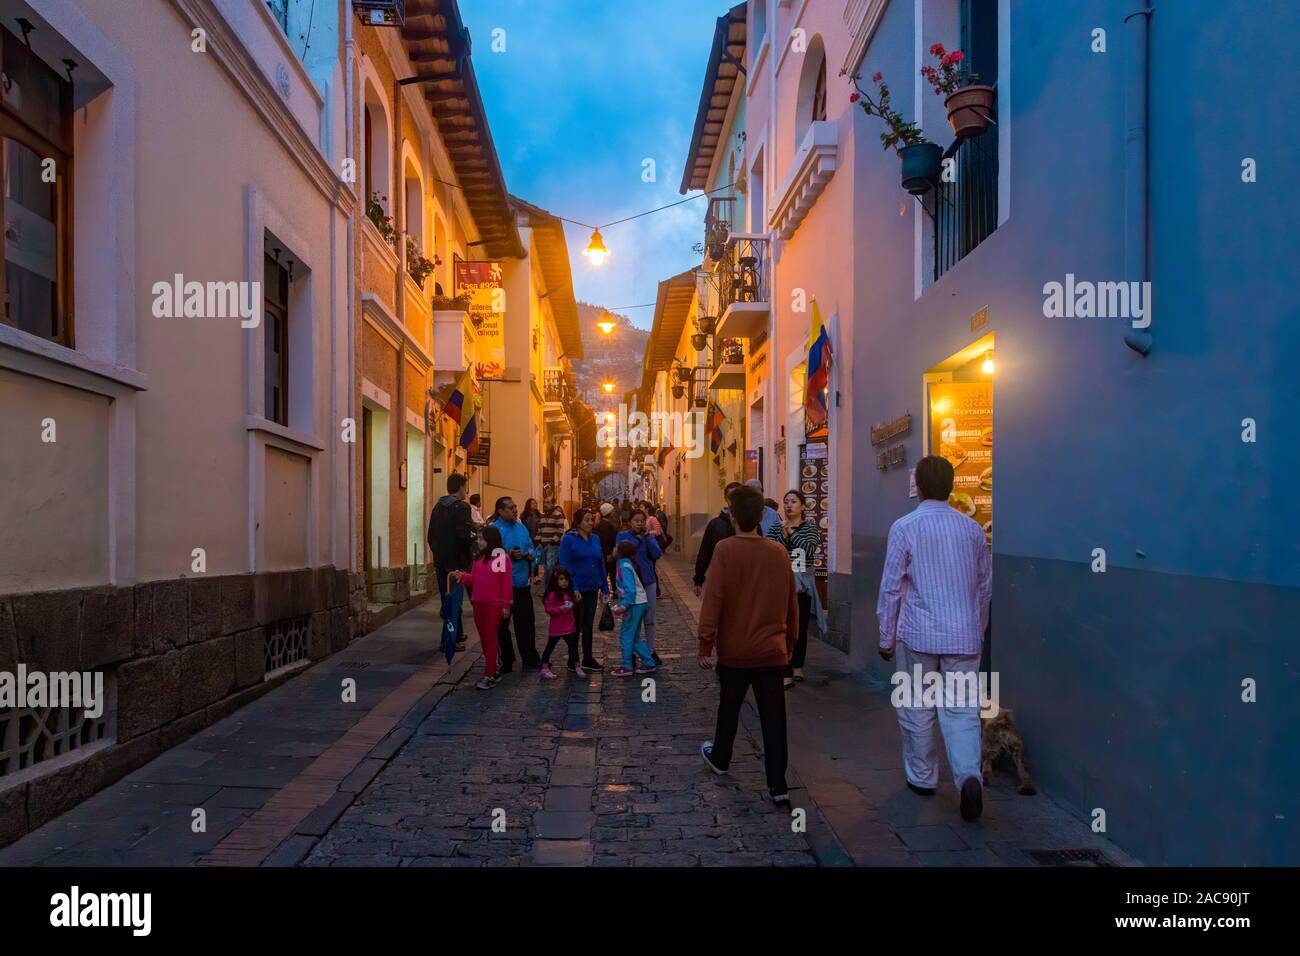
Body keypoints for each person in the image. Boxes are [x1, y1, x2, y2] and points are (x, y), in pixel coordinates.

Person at [877, 454, 992, 821]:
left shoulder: (905, 527)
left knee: (916, 704)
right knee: (962, 710)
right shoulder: (972, 529)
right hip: (964, 635)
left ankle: (923, 778)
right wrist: (978, 628)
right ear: (951, 487)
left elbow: (891, 588)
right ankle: (969, 777)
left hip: (919, 634)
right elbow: (984, 588)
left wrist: (885, 638)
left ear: (919, 486)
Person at [698, 485, 798, 805]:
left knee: (729, 708)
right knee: (774, 717)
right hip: (771, 650)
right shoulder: (778, 552)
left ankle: (721, 757)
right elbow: (790, 602)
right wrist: (791, 641)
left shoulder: (725, 550)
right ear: (760, 516)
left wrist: (705, 644)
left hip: (735, 652)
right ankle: (778, 784)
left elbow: (714, 600)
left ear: (732, 514)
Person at [767, 489, 827, 689]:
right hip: (781, 583)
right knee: (782, 627)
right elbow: (773, 550)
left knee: (799, 627)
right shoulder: (776, 527)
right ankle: (784, 669)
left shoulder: (809, 528)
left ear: (803, 506)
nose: (788, 505)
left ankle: (797, 666)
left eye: (793, 501)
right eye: (786, 502)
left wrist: (791, 533)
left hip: (801, 585)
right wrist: (784, 535)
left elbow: (808, 549)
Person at [451, 525, 513, 690]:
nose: (478, 541)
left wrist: (506, 605)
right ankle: (493, 668)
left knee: (491, 639)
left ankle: (490, 673)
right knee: (485, 639)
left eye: (481, 538)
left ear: (490, 540)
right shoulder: (479, 559)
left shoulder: (501, 558)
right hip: (478, 603)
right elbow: (475, 579)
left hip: (494, 604)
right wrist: (463, 576)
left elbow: (505, 583)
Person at [489, 496, 542, 672]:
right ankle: (507, 659)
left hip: (521, 585)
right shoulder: (494, 530)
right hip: (502, 587)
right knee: (501, 626)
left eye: (515, 507)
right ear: (500, 511)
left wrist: (529, 554)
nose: (514, 510)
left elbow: (531, 548)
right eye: (510, 508)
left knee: (526, 623)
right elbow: (491, 556)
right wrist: (509, 554)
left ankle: (529, 657)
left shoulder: (521, 528)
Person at [427, 473, 476, 653]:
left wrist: (438, 554)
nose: (467, 490)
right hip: (456, 562)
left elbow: (430, 535)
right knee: (453, 603)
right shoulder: (462, 508)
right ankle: (448, 641)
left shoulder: (438, 506)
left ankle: (458, 633)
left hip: (441, 561)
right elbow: (464, 536)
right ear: (461, 487)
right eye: (466, 486)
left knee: (448, 599)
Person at [558, 507, 609, 672]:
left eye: (591, 520)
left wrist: (605, 587)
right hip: (576, 589)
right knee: (575, 625)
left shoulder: (595, 539)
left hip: (592, 588)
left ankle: (588, 657)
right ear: (578, 523)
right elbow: (565, 565)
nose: (590, 523)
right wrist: (573, 587)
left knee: (588, 624)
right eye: (586, 520)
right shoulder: (569, 539)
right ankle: (573, 658)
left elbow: (601, 562)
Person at [616, 510, 663, 663]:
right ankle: (631, 652)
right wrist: (638, 540)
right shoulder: (623, 536)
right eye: (636, 520)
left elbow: (657, 553)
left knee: (649, 619)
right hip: (631, 584)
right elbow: (623, 553)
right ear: (630, 521)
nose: (639, 523)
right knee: (632, 621)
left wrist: (647, 538)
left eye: (642, 520)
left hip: (648, 580)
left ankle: (650, 650)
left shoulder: (647, 537)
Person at [610, 539, 657, 678]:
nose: (614, 548)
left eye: (616, 547)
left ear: (620, 552)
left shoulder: (623, 566)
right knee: (634, 636)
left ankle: (626, 666)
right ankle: (649, 662)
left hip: (634, 605)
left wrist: (623, 606)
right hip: (638, 603)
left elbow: (630, 590)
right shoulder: (626, 564)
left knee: (626, 634)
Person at [693, 481, 742, 596]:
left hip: (745, 579)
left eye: (738, 496)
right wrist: (698, 580)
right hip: (722, 578)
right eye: (731, 496)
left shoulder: (751, 523)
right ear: (726, 498)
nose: (734, 500)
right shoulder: (715, 525)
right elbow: (705, 552)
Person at [540, 568, 585, 680]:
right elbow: (548, 609)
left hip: (569, 626)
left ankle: (577, 666)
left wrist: (576, 601)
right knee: (550, 647)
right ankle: (544, 668)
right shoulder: (552, 594)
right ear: (556, 580)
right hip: (557, 627)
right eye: (561, 579)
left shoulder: (569, 593)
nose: (564, 582)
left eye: (566, 579)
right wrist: (560, 609)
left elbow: (571, 605)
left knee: (573, 648)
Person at [534, 497, 567, 582]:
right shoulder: (542, 516)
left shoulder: (558, 515)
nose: (545, 504)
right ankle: (547, 587)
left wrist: (551, 542)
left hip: (553, 546)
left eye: (548, 502)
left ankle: (549, 588)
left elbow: (560, 531)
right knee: (544, 567)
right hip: (543, 546)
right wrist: (538, 543)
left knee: (550, 568)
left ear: (553, 504)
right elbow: (539, 530)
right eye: (544, 502)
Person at [594, 502, 619, 593]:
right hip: (608, 554)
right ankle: (612, 591)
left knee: (604, 572)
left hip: (603, 553)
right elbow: (607, 541)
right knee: (611, 573)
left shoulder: (600, 525)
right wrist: (609, 553)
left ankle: (603, 590)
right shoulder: (608, 526)